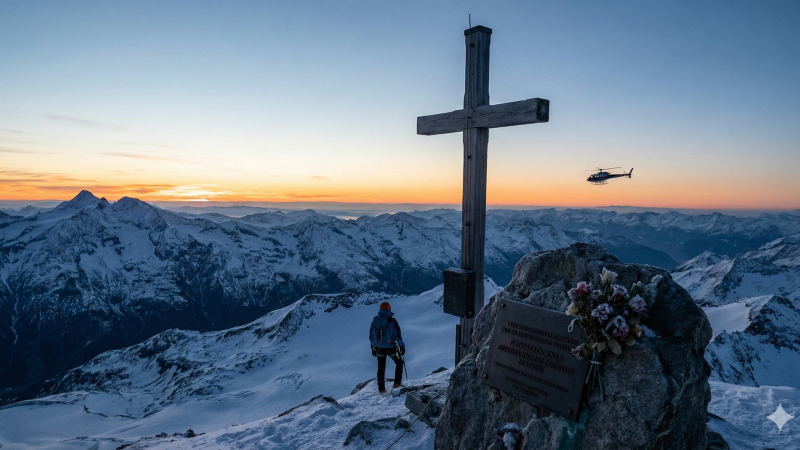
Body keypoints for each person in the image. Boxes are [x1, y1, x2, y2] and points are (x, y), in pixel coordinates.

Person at [369, 301, 405, 394]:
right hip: (391, 347)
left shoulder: (375, 321)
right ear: (389, 310)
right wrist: (402, 346)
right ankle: (397, 384)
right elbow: (398, 335)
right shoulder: (392, 321)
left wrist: (373, 347)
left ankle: (382, 389)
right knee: (399, 363)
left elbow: (371, 336)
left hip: (379, 348)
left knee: (381, 368)